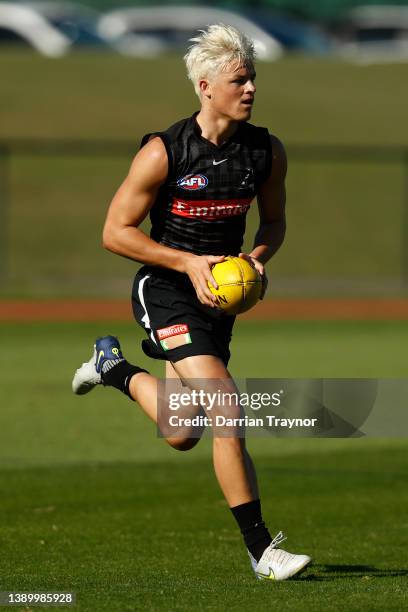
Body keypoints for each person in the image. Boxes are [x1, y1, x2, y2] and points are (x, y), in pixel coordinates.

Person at [72, 24, 311, 580]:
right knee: (226, 407)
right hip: (167, 288)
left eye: (252, 78)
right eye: (238, 80)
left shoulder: (265, 150)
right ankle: (262, 552)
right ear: (205, 86)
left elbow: (274, 221)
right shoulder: (165, 150)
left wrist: (255, 259)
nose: (249, 89)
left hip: (218, 300)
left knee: (182, 432)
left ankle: (112, 368)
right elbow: (114, 231)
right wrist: (186, 262)